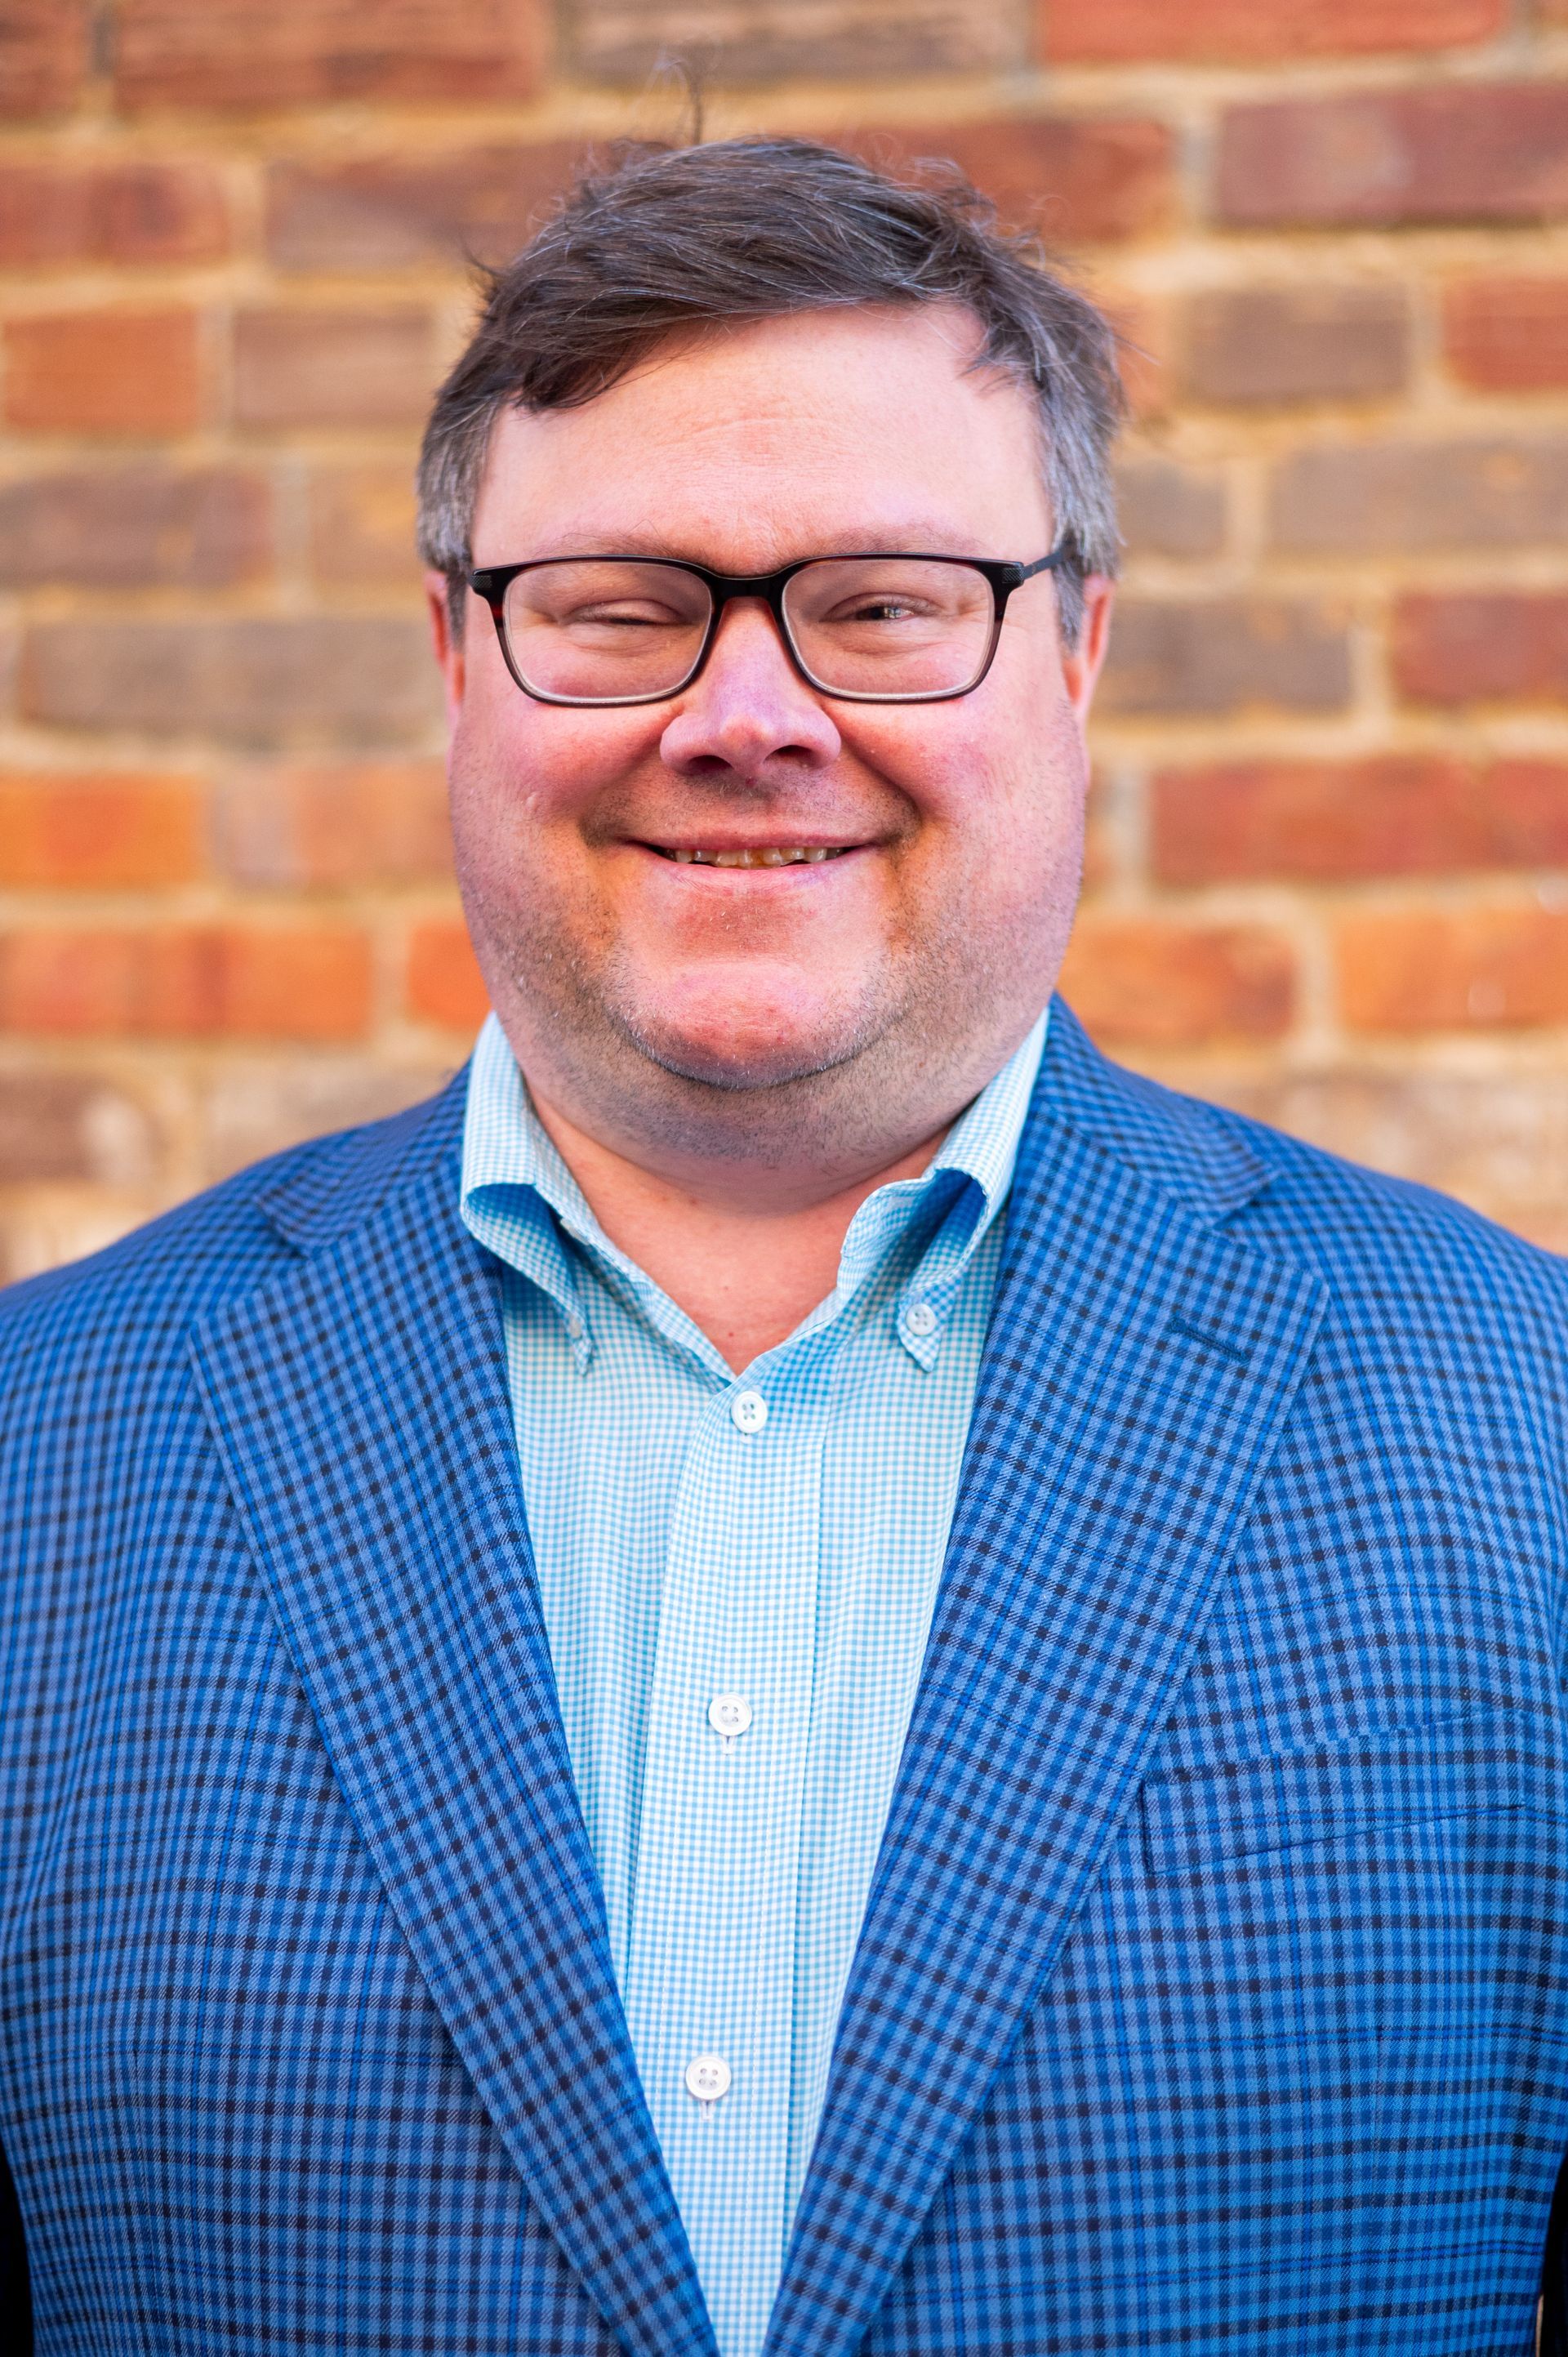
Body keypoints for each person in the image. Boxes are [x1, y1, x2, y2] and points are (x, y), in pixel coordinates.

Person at [2, 136, 1566, 2357]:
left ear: (1080, 650)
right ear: (458, 654)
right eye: (625, 604)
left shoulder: (1526, 1428)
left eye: (887, 603)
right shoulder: (39, 1455)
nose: (748, 715)